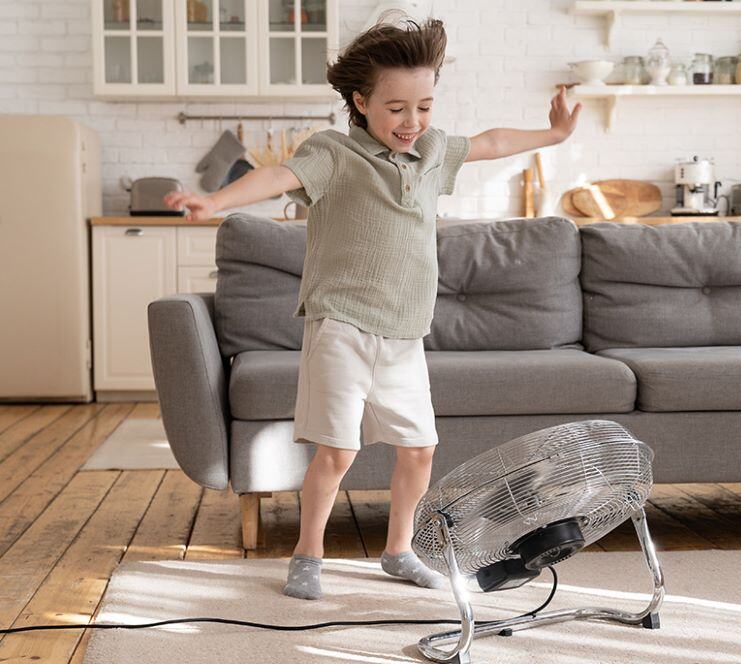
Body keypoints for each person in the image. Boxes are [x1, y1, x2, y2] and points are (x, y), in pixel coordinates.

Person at [164, 16, 581, 600]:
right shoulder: (333, 154)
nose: (413, 123)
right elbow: (278, 174)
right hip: (342, 328)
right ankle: (308, 553)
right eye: (396, 108)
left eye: (424, 107)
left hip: (404, 336)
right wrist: (214, 200)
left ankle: (398, 550)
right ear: (361, 102)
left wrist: (552, 137)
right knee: (338, 451)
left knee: (419, 449)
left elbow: (490, 143)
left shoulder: (433, 152)